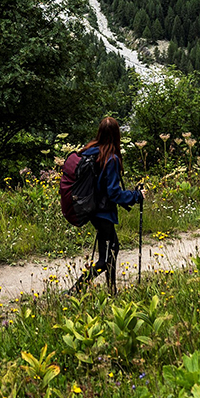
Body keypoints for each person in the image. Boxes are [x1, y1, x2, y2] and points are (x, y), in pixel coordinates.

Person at [70, 116, 143, 294]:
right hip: (103, 213)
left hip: (92, 208)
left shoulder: (90, 150)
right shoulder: (110, 159)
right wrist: (136, 195)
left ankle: (112, 290)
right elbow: (113, 193)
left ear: (100, 132)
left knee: (112, 249)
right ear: (117, 135)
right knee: (105, 258)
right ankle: (75, 291)